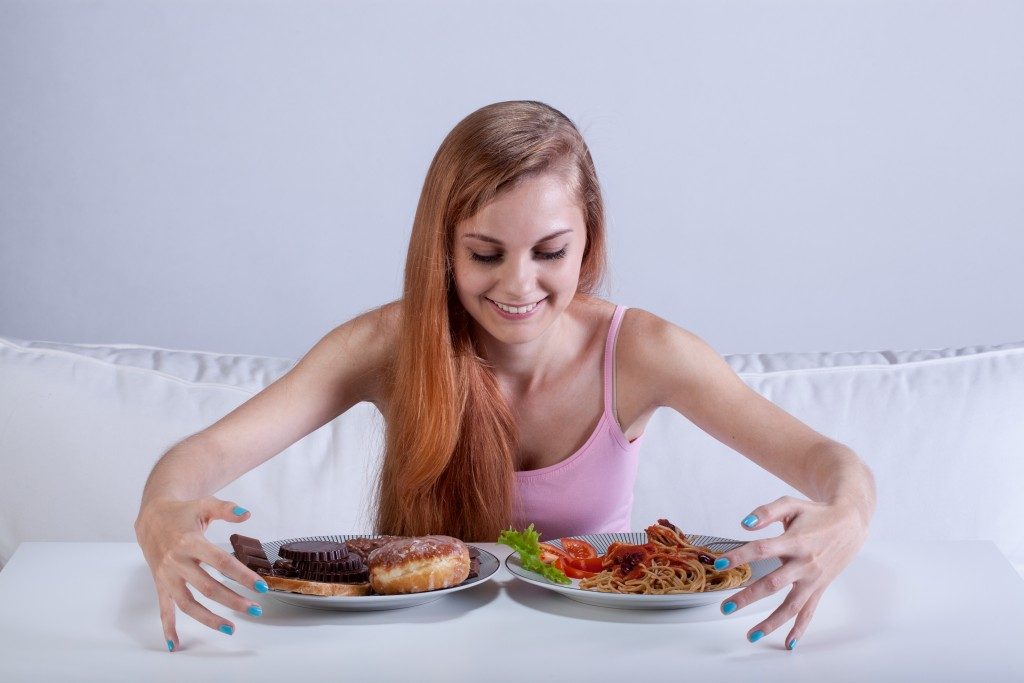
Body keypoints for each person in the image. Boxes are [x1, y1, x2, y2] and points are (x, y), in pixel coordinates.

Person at [134, 100, 876, 653]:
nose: (519, 285)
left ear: (588, 240)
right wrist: (161, 512)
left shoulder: (644, 351)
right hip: (416, 655)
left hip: (598, 654)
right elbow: (201, 456)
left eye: (550, 250)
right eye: (486, 253)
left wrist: (845, 516)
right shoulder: (383, 344)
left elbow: (828, 463)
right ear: (444, 250)